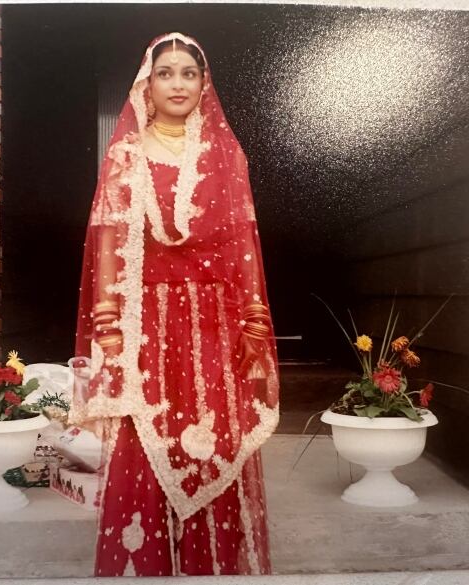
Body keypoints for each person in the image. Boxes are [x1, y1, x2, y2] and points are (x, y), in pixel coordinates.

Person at [70, 32, 280, 576]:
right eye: (167, 72)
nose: (178, 83)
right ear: (148, 82)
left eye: (189, 73)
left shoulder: (224, 156)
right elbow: (109, 248)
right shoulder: (125, 156)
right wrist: (110, 332)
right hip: (144, 327)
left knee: (213, 441)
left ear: (203, 84)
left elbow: (244, 250)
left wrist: (251, 332)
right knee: (142, 440)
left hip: (212, 323)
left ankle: (211, 568)